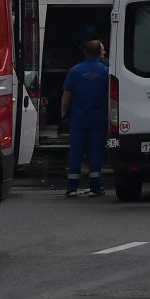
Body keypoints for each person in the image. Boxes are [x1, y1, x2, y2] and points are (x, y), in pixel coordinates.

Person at [61, 39, 111, 197]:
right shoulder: (106, 71)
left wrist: (63, 113)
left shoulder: (75, 71)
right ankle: (95, 186)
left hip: (79, 117)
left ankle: (72, 187)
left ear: (85, 52)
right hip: (98, 117)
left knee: (76, 151)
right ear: (99, 52)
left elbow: (66, 94)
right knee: (95, 151)